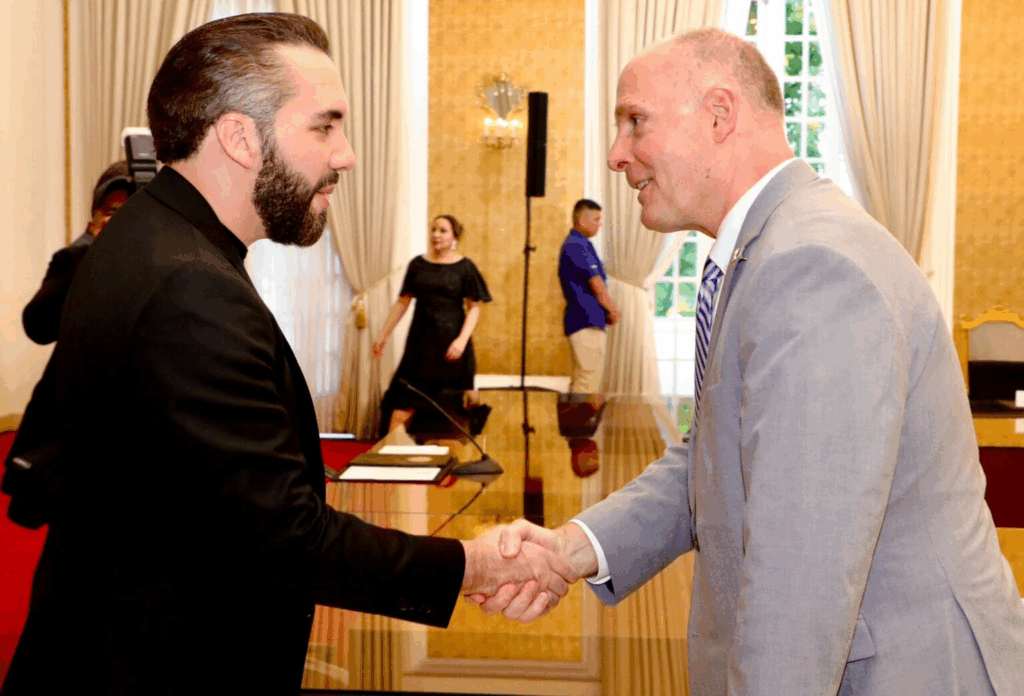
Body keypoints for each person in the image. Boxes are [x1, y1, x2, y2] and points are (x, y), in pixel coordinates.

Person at [1, 14, 572, 695]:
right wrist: (473, 565)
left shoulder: (153, 235)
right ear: (240, 136)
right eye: (324, 127)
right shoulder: (189, 284)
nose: (346, 155)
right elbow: (282, 537)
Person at [479, 28, 1024, 695]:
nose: (617, 154)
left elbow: (802, 574)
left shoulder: (811, 266)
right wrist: (571, 549)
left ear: (719, 113)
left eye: (635, 121)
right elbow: (713, 458)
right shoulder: (770, 249)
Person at [372, 214, 491, 436]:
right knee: (404, 399)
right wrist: (383, 335)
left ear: (454, 236)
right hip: (419, 346)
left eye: (443, 231)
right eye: (433, 229)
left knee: (453, 409)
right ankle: (392, 451)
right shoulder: (418, 265)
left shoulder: (465, 267)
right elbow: (402, 302)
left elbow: (474, 307)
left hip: (452, 347)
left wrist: (461, 340)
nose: (436, 235)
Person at [21, 160, 133, 345]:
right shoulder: (73, 259)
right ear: (94, 220)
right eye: (112, 212)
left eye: (130, 214)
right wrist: (91, 256)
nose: (120, 223)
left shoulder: (166, 265)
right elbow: (38, 327)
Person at [558, 199, 619, 393]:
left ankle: (576, 413)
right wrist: (613, 309)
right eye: (596, 219)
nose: (600, 224)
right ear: (582, 220)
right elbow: (596, 284)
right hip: (585, 319)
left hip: (587, 319)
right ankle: (580, 414)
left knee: (584, 376)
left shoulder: (581, 244)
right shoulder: (576, 245)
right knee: (588, 379)